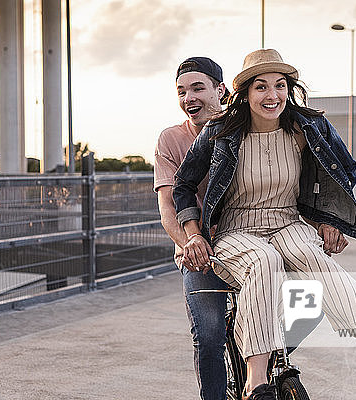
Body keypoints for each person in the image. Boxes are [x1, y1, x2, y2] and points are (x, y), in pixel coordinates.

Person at [173, 49, 356, 399]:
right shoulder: (221, 131)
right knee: (263, 262)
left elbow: (344, 170)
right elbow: (184, 185)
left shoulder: (307, 126)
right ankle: (256, 382)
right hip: (236, 228)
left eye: (280, 86)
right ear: (246, 94)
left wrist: (329, 219)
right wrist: (192, 233)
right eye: (261, 87)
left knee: (314, 259)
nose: (272, 95)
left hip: (288, 221)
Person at [154, 57, 231, 400]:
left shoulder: (244, 129)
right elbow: (168, 205)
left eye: (198, 88)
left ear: (221, 90)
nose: (189, 98)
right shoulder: (171, 139)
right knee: (210, 334)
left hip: (250, 240)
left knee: (304, 308)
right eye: (181, 91)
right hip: (198, 250)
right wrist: (190, 242)